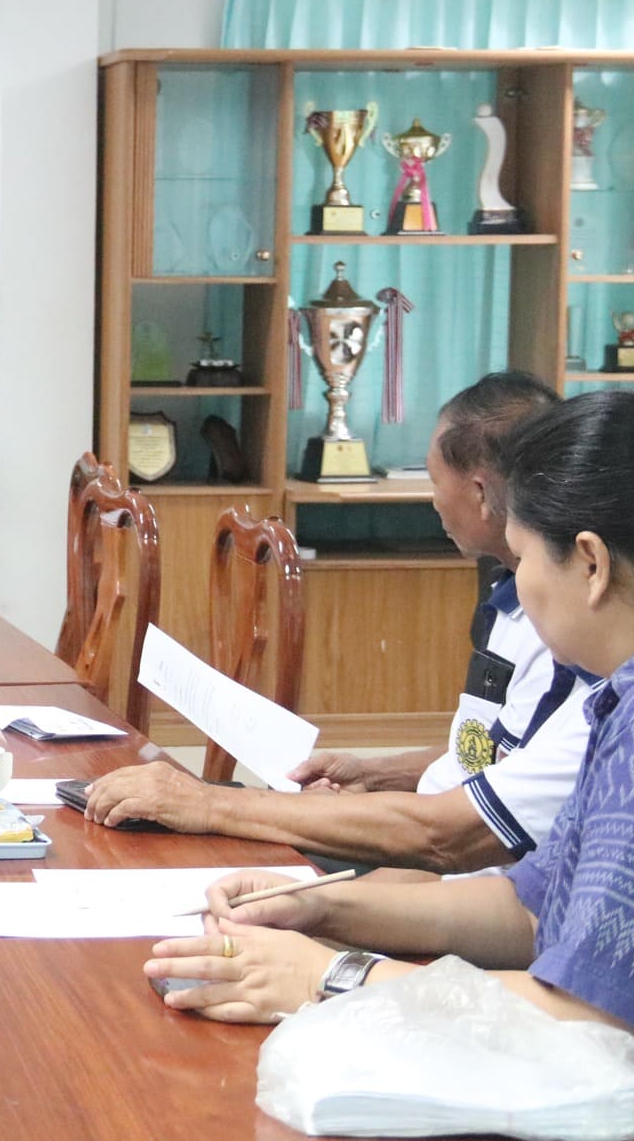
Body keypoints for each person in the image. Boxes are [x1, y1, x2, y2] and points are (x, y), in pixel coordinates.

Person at [143, 391, 634, 1141]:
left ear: (592, 563)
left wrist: (322, 975)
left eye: (525, 555)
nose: (519, 586)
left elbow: (588, 1029)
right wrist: (320, 908)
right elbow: (530, 910)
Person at [85, 372, 590, 873]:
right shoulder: (518, 594)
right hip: (431, 847)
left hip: (447, 872)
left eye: (436, 482)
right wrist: (372, 774)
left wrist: (210, 805)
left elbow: (449, 838)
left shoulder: (570, 647)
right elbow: (493, 754)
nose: (433, 499)